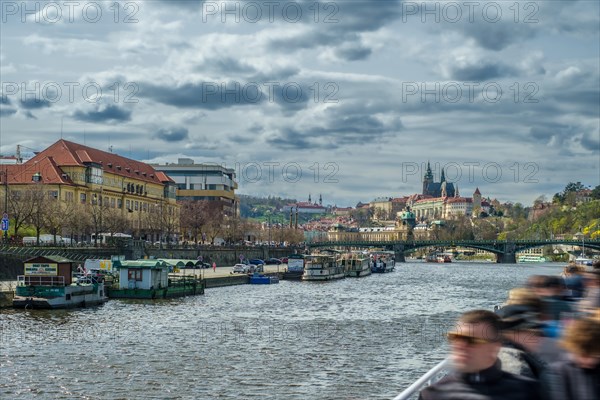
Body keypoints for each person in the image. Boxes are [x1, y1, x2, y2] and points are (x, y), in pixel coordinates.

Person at [418, 310, 541, 400]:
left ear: (495, 347)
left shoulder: (526, 390)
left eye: (471, 340)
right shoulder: (432, 394)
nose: (461, 345)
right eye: (455, 337)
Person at [543, 317, 600, 400]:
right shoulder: (559, 370)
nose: (590, 360)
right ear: (574, 350)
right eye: (584, 356)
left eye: (595, 355)